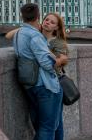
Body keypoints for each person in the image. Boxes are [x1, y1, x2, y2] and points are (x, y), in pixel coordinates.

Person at [7, 12, 68, 140]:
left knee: (54, 124)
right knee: (48, 123)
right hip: (38, 83)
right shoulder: (35, 35)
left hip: (52, 84)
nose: (48, 23)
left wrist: (57, 59)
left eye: (52, 22)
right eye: (46, 20)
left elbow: (60, 61)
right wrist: (28, 26)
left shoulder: (57, 42)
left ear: (56, 28)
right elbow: (8, 35)